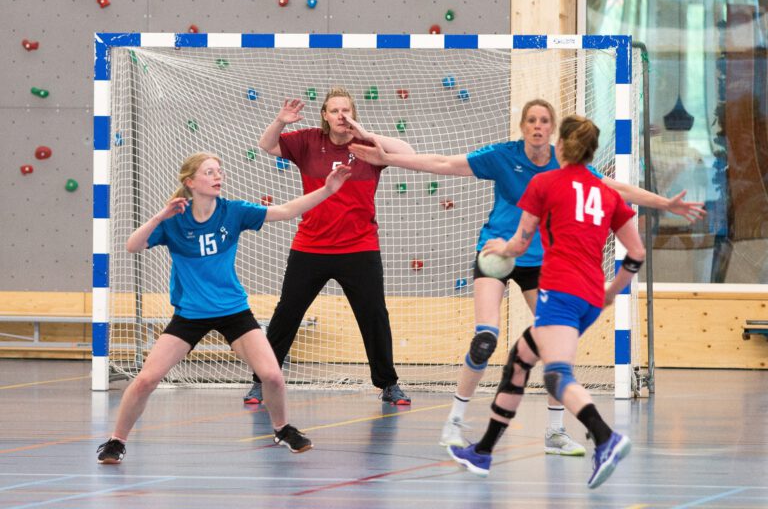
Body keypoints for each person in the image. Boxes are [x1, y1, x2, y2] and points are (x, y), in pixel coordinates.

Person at [349, 99, 705, 454]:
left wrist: (665, 204)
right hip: (497, 254)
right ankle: (454, 423)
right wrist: (389, 159)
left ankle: (554, 432)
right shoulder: (502, 156)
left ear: (553, 130)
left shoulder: (563, 166)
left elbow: (616, 189)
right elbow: (444, 163)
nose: (537, 126)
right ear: (523, 126)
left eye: (544, 121)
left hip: (540, 262)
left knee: (554, 346)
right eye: (531, 120)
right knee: (485, 338)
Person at [96, 152, 351, 464]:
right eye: (209, 172)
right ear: (190, 182)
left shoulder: (233, 211)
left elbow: (285, 211)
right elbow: (133, 246)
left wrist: (327, 190)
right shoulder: (174, 219)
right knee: (147, 379)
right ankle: (116, 441)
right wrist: (160, 216)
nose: (218, 176)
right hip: (190, 314)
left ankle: (282, 429)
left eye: (219, 171)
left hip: (234, 311)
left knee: (271, 375)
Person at [447, 114, 645, 489]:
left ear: (563, 146)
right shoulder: (606, 192)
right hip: (589, 296)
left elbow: (520, 244)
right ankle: (483, 451)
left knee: (556, 375)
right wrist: (611, 291)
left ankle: (605, 437)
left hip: (560, 292)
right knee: (519, 362)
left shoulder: (545, 182)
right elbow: (636, 252)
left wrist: (498, 249)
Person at [243, 87, 417, 407]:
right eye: (335, 111)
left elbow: (406, 149)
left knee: (374, 315)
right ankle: (262, 381)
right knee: (287, 314)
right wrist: (281, 121)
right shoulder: (308, 141)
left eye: (346, 111)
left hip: (359, 248)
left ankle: (388, 384)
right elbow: (266, 145)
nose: (341, 116)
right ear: (325, 115)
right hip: (311, 247)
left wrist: (364, 132)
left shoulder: (370, 147)